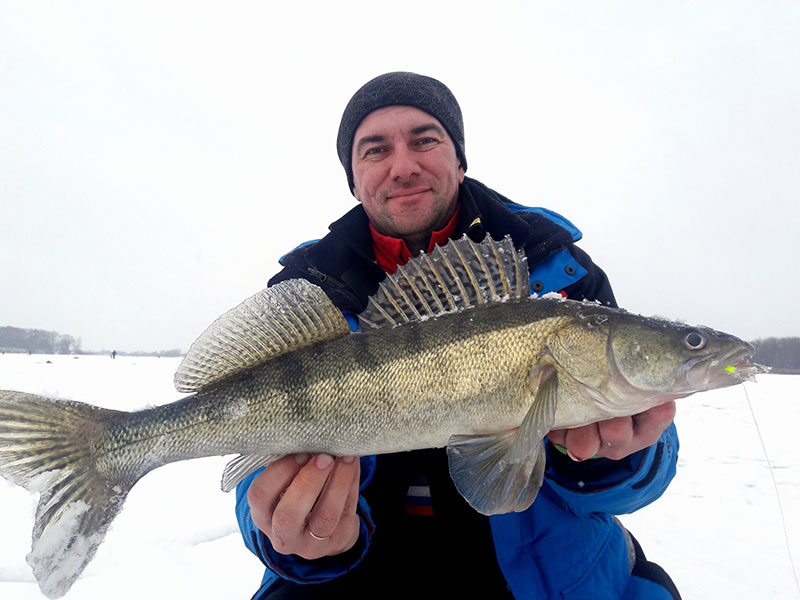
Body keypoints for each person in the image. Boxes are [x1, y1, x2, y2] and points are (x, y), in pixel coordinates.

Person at [235, 72, 681, 599]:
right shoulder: (306, 291)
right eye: (375, 150)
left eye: (426, 139)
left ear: (459, 158)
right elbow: (251, 447)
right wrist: (290, 531)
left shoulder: (556, 270)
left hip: (538, 567)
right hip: (359, 569)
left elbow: (638, 480)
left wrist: (617, 458)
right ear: (354, 181)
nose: (403, 166)